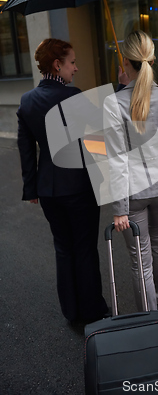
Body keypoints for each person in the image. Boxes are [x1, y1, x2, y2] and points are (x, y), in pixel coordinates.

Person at [17, 38, 108, 324]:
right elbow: (97, 146)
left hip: (48, 189)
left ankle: (71, 311)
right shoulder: (75, 98)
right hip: (79, 187)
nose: (76, 68)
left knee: (63, 248)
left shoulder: (27, 101)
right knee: (84, 248)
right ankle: (92, 311)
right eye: (72, 62)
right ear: (57, 64)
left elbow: (26, 148)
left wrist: (31, 187)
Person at [103, 30, 158, 311]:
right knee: (157, 242)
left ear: (125, 62)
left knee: (140, 257)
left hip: (132, 194)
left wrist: (119, 208)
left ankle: (150, 318)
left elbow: (117, 159)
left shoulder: (114, 103)